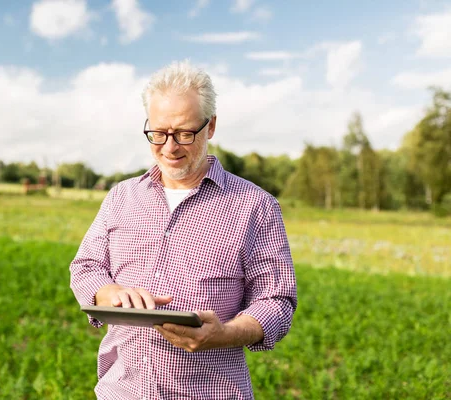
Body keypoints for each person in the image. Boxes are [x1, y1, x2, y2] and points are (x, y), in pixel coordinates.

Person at [70, 61, 297, 400]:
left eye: (184, 133)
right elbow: (85, 267)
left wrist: (225, 334)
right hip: (121, 390)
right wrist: (107, 293)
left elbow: (277, 302)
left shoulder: (256, 206)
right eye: (158, 133)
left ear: (211, 126)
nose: (170, 147)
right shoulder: (121, 196)